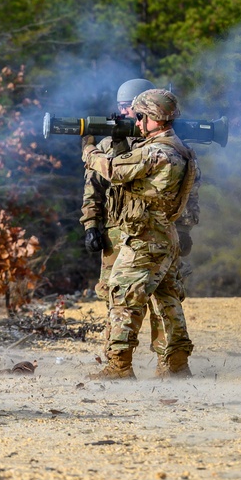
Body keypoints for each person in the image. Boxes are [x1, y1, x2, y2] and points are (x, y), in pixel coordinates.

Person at [81, 88, 198, 379]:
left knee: (123, 297)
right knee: (168, 301)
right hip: (165, 234)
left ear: (154, 118)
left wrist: (89, 149)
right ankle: (176, 366)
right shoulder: (180, 148)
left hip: (145, 238)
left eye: (141, 116)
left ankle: (118, 367)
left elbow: (113, 170)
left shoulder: (156, 152)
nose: (137, 121)